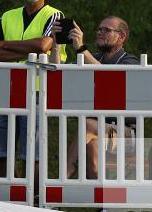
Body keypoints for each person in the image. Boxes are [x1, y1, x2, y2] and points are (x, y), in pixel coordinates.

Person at [0, 0, 66, 178]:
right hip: (7, 88)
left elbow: (43, 46)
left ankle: (35, 199)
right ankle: (8, 195)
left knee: (33, 151)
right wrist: (26, 51)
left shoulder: (58, 16)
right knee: (1, 149)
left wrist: (3, 45)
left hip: (39, 90)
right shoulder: (8, 15)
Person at [55, 15, 139, 179]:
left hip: (126, 135)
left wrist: (81, 49)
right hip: (97, 132)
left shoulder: (130, 61)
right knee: (92, 150)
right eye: (99, 29)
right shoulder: (92, 57)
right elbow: (58, 75)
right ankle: (104, 204)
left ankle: (61, 180)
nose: (100, 33)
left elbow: (109, 77)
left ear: (121, 36)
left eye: (106, 30)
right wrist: (56, 46)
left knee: (87, 125)